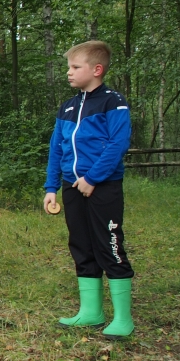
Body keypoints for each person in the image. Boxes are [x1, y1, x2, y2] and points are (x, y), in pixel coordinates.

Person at [44, 41, 134, 339]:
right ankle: (91, 311)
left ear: (96, 70)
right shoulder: (68, 106)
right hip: (71, 187)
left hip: (103, 187)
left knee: (109, 244)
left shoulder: (113, 102)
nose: (68, 72)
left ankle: (123, 318)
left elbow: (117, 144)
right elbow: (56, 148)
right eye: (69, 67)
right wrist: (51, 187)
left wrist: (92, 178)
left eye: (74, 67)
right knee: (81, 245)